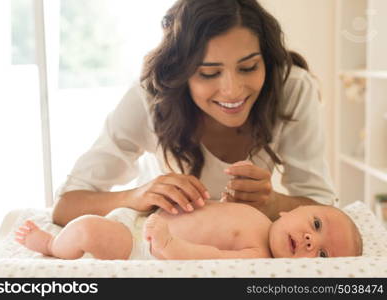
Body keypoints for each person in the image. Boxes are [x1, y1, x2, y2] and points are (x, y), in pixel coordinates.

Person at [52, 0, 336, 227]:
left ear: (267, 60)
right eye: (209, 73)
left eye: (248, 67)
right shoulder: (151, 98)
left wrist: (272, 203)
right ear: (181, 73)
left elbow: (324, 207)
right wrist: (136, 196)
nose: (232, 90)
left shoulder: (292, 87)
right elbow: (66, 206)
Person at [15, 201, 363, 260]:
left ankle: (52, 245)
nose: (309, 239)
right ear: (290, 210)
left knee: (86, 231)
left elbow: (207, 258)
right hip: (145, 219)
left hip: (146, 244)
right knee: (93, 220)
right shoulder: (258, 216)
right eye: (316, 225)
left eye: (321, 253)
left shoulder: (259, 255)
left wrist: (168, 243)